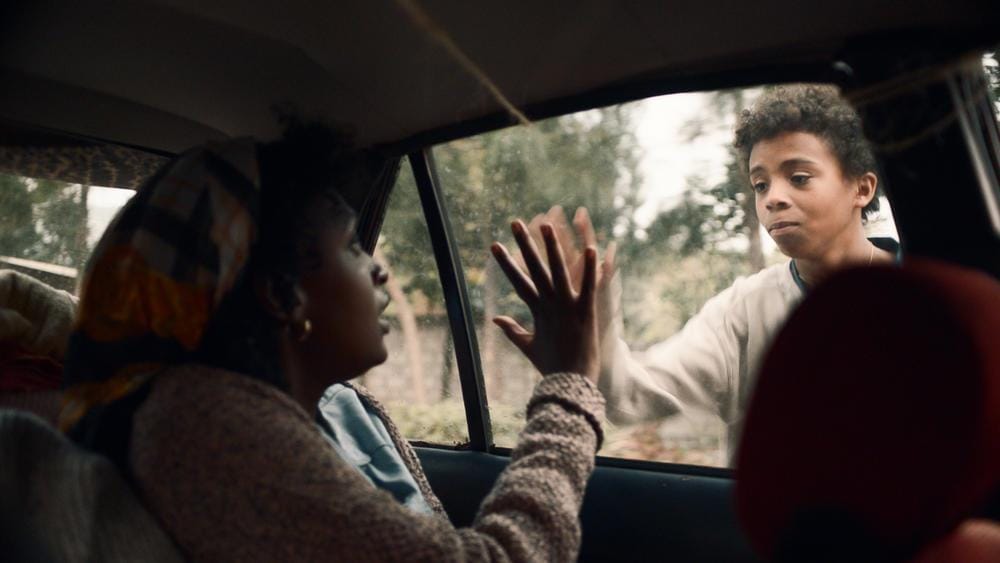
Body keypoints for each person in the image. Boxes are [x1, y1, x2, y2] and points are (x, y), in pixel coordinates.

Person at [59, 116, 604, 561]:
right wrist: (570, 385)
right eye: (352, 247)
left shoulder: (312, 412)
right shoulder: (207, 425)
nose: (378, 270)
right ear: (281, 292)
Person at [532, 85, 898, 461]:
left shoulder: (929, 289)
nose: (772, 197)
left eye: (799, 177)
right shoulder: (744, 310)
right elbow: (629, 396)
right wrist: (592, 329)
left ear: (862, 188)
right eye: (760, 184)